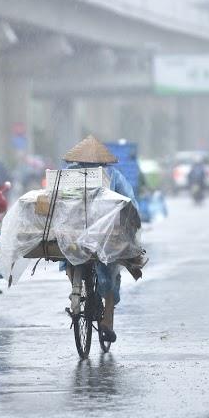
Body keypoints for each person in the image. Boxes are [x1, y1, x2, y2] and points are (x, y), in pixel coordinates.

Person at [62, 135, 139, 343]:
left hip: (73, 234)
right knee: (111, 273)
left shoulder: (68, 174)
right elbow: (130, 202)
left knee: (68, 259)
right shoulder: (113, 174)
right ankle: (108, 320)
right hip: (104, 237)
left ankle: (77, 289)